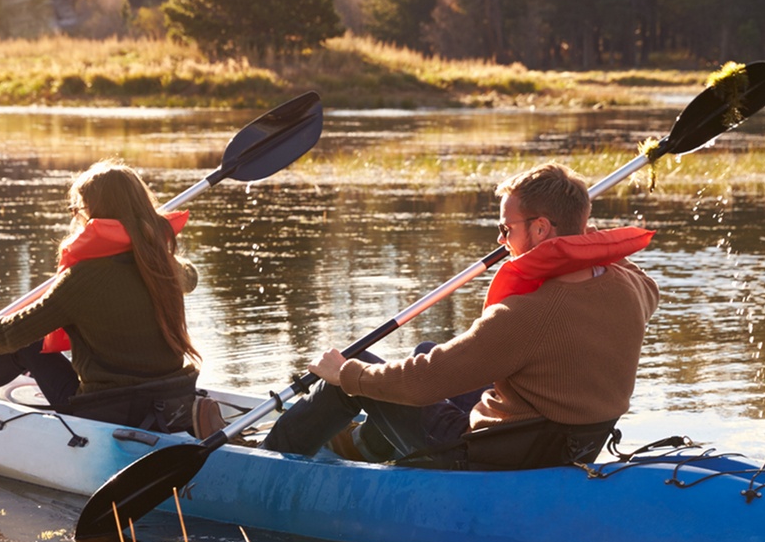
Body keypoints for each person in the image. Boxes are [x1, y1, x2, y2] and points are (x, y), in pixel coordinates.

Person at [265, 161, 659, 467]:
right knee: (427, 347)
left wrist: (346, 373)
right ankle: (367, 446)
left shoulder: (525, 314)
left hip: (487, 456)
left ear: (540, 229)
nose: (500, 241)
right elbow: (601, 253)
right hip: (562, 441)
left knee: (354, 369)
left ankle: (265, 459)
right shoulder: (632, 286)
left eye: (506, 229)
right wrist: (575, 233)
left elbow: (424, 382)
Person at [0, 160, 204, 431]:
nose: (76, 216)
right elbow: (191, 278)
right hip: (172, 399)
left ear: (95, 212)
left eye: (79, 209)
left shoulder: (85, 277)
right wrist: (162, 252)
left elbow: (17, 332)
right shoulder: (160, 264)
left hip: (109, 410)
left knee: (29, 344)